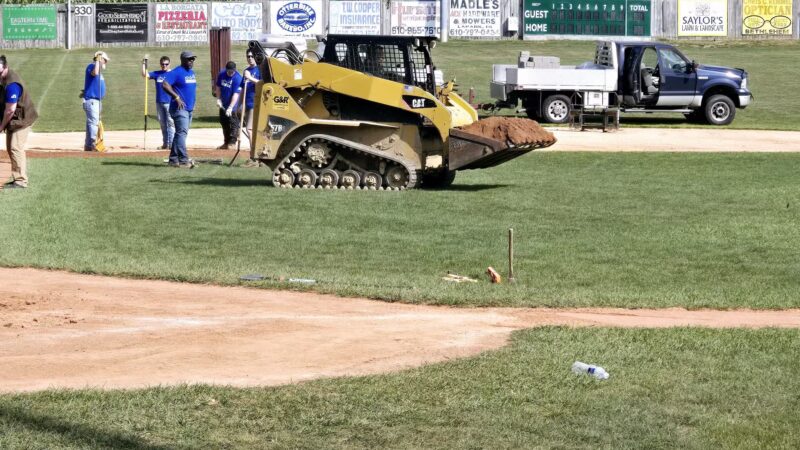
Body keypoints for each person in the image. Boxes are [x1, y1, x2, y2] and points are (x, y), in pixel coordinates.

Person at [0, 55, 38, 189]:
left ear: (5, 67)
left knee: (16, 147)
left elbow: (10, 110)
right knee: (11, 148)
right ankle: (17, 177)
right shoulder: (4, 77)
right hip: (15, 119)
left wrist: (1, 126)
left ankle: (21, 181)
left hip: (22, 120)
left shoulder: (12, 85)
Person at [161, 51, 197, 168]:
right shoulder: (177, 72)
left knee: (180, 134)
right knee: (181, 133)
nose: (191, 61)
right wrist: (176, 97)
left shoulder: (191, 72)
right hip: (179, 109)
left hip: (189, 109)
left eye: (192, 59)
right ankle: (183, 160)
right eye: (189, 59)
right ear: (182, 60)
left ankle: (173, 160)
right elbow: (165, 85)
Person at [141, 55, 175, 150]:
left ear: (169, 64)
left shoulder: (173, 73)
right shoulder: (157, 74)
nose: (164, 66)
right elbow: (145, 75)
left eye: (166, 64)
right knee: (163, 124)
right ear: (160, 64)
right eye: (162, 64)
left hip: (169, 102)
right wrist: (144, 63)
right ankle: (165, 144)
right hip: (159, 102)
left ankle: (172, 144)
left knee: (170, 123)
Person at [83, 50, 109, 152]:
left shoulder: (98, 70)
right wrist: (97, 61)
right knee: (94, 123)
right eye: (105, 60)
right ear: (99, 59)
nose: (106, 62)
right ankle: (94, 144)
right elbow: (95, 72)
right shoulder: (91, 66)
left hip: (97, 101)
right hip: (92, 101)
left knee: (91, 123)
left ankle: (88, 145)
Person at [214, 61, 242, 150]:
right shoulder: (222, 74)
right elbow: (218, 87)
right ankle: (226, 142)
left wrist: (230, 107)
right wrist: (218, 99)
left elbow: (236, 94)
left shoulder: (237, 78)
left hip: (233, 106)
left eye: (232, 71)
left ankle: (232, 142)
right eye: (229, 71)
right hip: (223, 104)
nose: (231, 73)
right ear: (226, 69)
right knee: (224, 123)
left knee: (233, 123)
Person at [240, 50, 262, 167]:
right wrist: (239, 104)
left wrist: (250, 78)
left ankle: (254, 157)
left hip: (256, 103)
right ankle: (257, 157)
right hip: (247, 104)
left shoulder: (260, 70)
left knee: (250, 129)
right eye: (248, 56)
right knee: (251, 130)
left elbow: (263, 84)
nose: (250, 58)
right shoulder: (246, 71)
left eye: (252, 56)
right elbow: (242, 88)